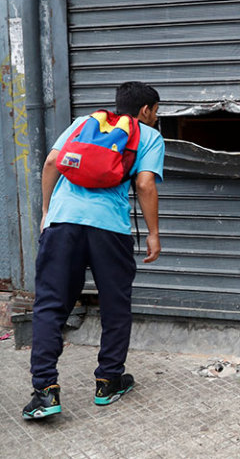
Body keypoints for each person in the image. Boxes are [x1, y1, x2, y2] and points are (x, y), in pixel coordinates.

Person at [22, 81, 165, 420]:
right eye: (156, 112)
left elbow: (51, 163)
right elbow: (145, 184)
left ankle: (45, 392)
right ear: (145, 110)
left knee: (50, 304)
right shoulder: (149, 136)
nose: (157, 118)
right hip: (109, 228)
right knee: (115, 304)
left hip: (62, 224)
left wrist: (47, 212)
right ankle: (108, 381)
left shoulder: (84, 123)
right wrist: (153, 234)